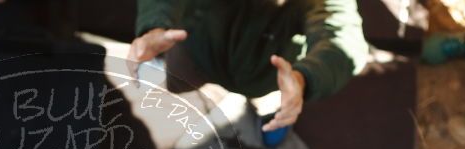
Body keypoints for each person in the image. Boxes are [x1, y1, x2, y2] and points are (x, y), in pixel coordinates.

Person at [128, 0, 369, 132]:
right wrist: (155, 27)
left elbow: (342, 39)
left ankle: (271, 115)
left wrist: (304, 79)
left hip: (268, 74)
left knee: (275, 105)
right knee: (177, 85)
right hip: (195, 43)